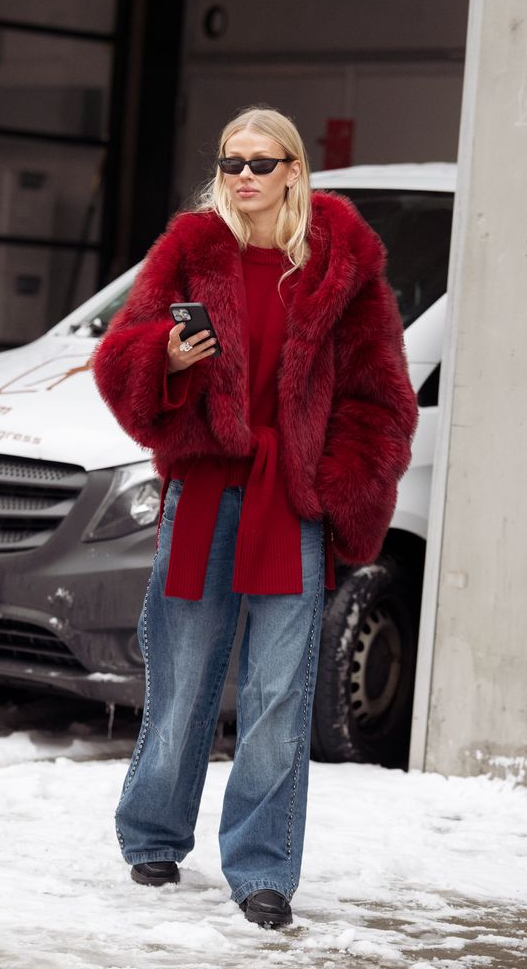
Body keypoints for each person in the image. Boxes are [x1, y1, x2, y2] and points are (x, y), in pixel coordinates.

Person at [92, 105, 418, 928]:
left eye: (260, 164)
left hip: (290, 501)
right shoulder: (190, 251)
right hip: (204, 493)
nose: (242, 177)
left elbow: (382, 398)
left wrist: (336, 490)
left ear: (293, 172)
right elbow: (117, 357)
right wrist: (162, 360)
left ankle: (263, 866)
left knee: (279, 691)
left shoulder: (341, 266)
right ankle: (153, 834)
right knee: (182, 679)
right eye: (232, 162)